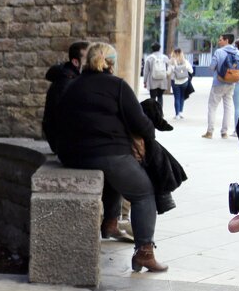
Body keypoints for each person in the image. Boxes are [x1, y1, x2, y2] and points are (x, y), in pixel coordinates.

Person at [47, 43, 167, 272]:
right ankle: (144, 253)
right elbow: (142, 124)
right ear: (111, 63)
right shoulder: (117, 86)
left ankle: (111, 223)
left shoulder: (72, 85)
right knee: (143, 191)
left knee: (115, 176)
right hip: (107, 153)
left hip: (72, 155)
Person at [43, 41, 90, 150]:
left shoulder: (70, 78)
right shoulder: (67, 82)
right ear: (76, 62)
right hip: (64, 143)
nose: (90, 62)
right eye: (87, 59)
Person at [205, 33, 239, 139]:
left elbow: (212, 67)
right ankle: (224, 133)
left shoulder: (219, 52)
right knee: (228, 107)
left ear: (226, 40)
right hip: (232, 83)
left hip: (218, 83)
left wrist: (217, 71)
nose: (219, 41)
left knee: (212, 107)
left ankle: (209, 132)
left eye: (220, 40)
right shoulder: (237, 52)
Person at [141, 43, 171, 115]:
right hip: (162, 80)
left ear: (152, 49)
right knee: (160, 96)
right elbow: (170, 67)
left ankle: (153, 113)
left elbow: (146, 71)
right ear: (159, 48)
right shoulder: (165, 57)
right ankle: (160, 113)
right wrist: (167, 74)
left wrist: (145, 81)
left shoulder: (149, 58)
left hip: (152, 80)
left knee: (153, 98)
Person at [169, 47, 193, 120]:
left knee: (177, 97)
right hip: (184, 81)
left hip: (175, 81)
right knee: (182, 96)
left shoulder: (172, 62)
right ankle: (180, 112)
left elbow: (169, 72)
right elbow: (191, 71)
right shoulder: (185, 61)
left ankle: (177, 115)